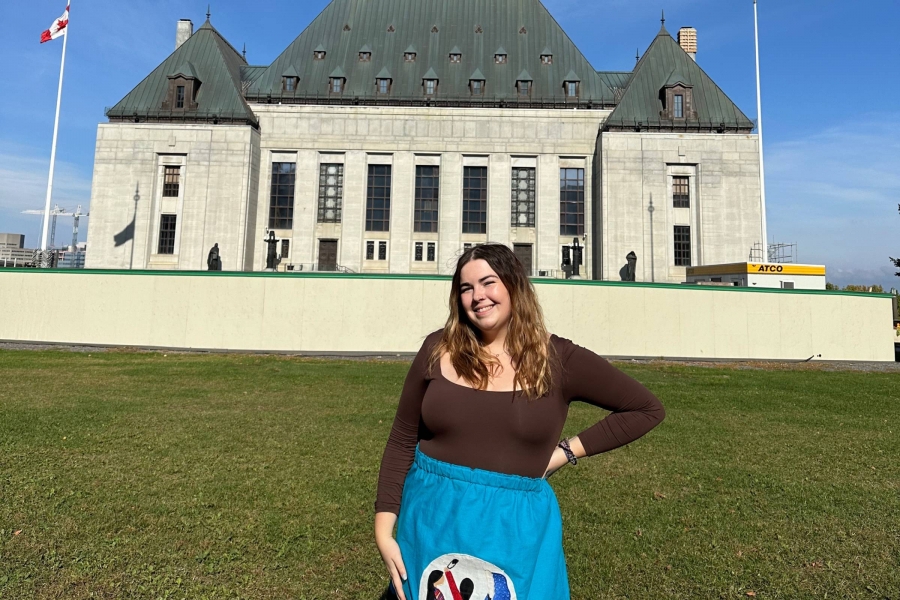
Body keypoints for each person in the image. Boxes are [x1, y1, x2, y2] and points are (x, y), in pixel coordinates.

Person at [374, 243, 665, 600]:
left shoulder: (559, 358)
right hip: (432, 518)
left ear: (514, 285)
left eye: (488, 282)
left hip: (516, 530)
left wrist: (564, 453)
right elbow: (402, 439)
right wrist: (384, 528)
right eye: (466, 288)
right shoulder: (438, 349)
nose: (477, 296)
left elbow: (645, 409)